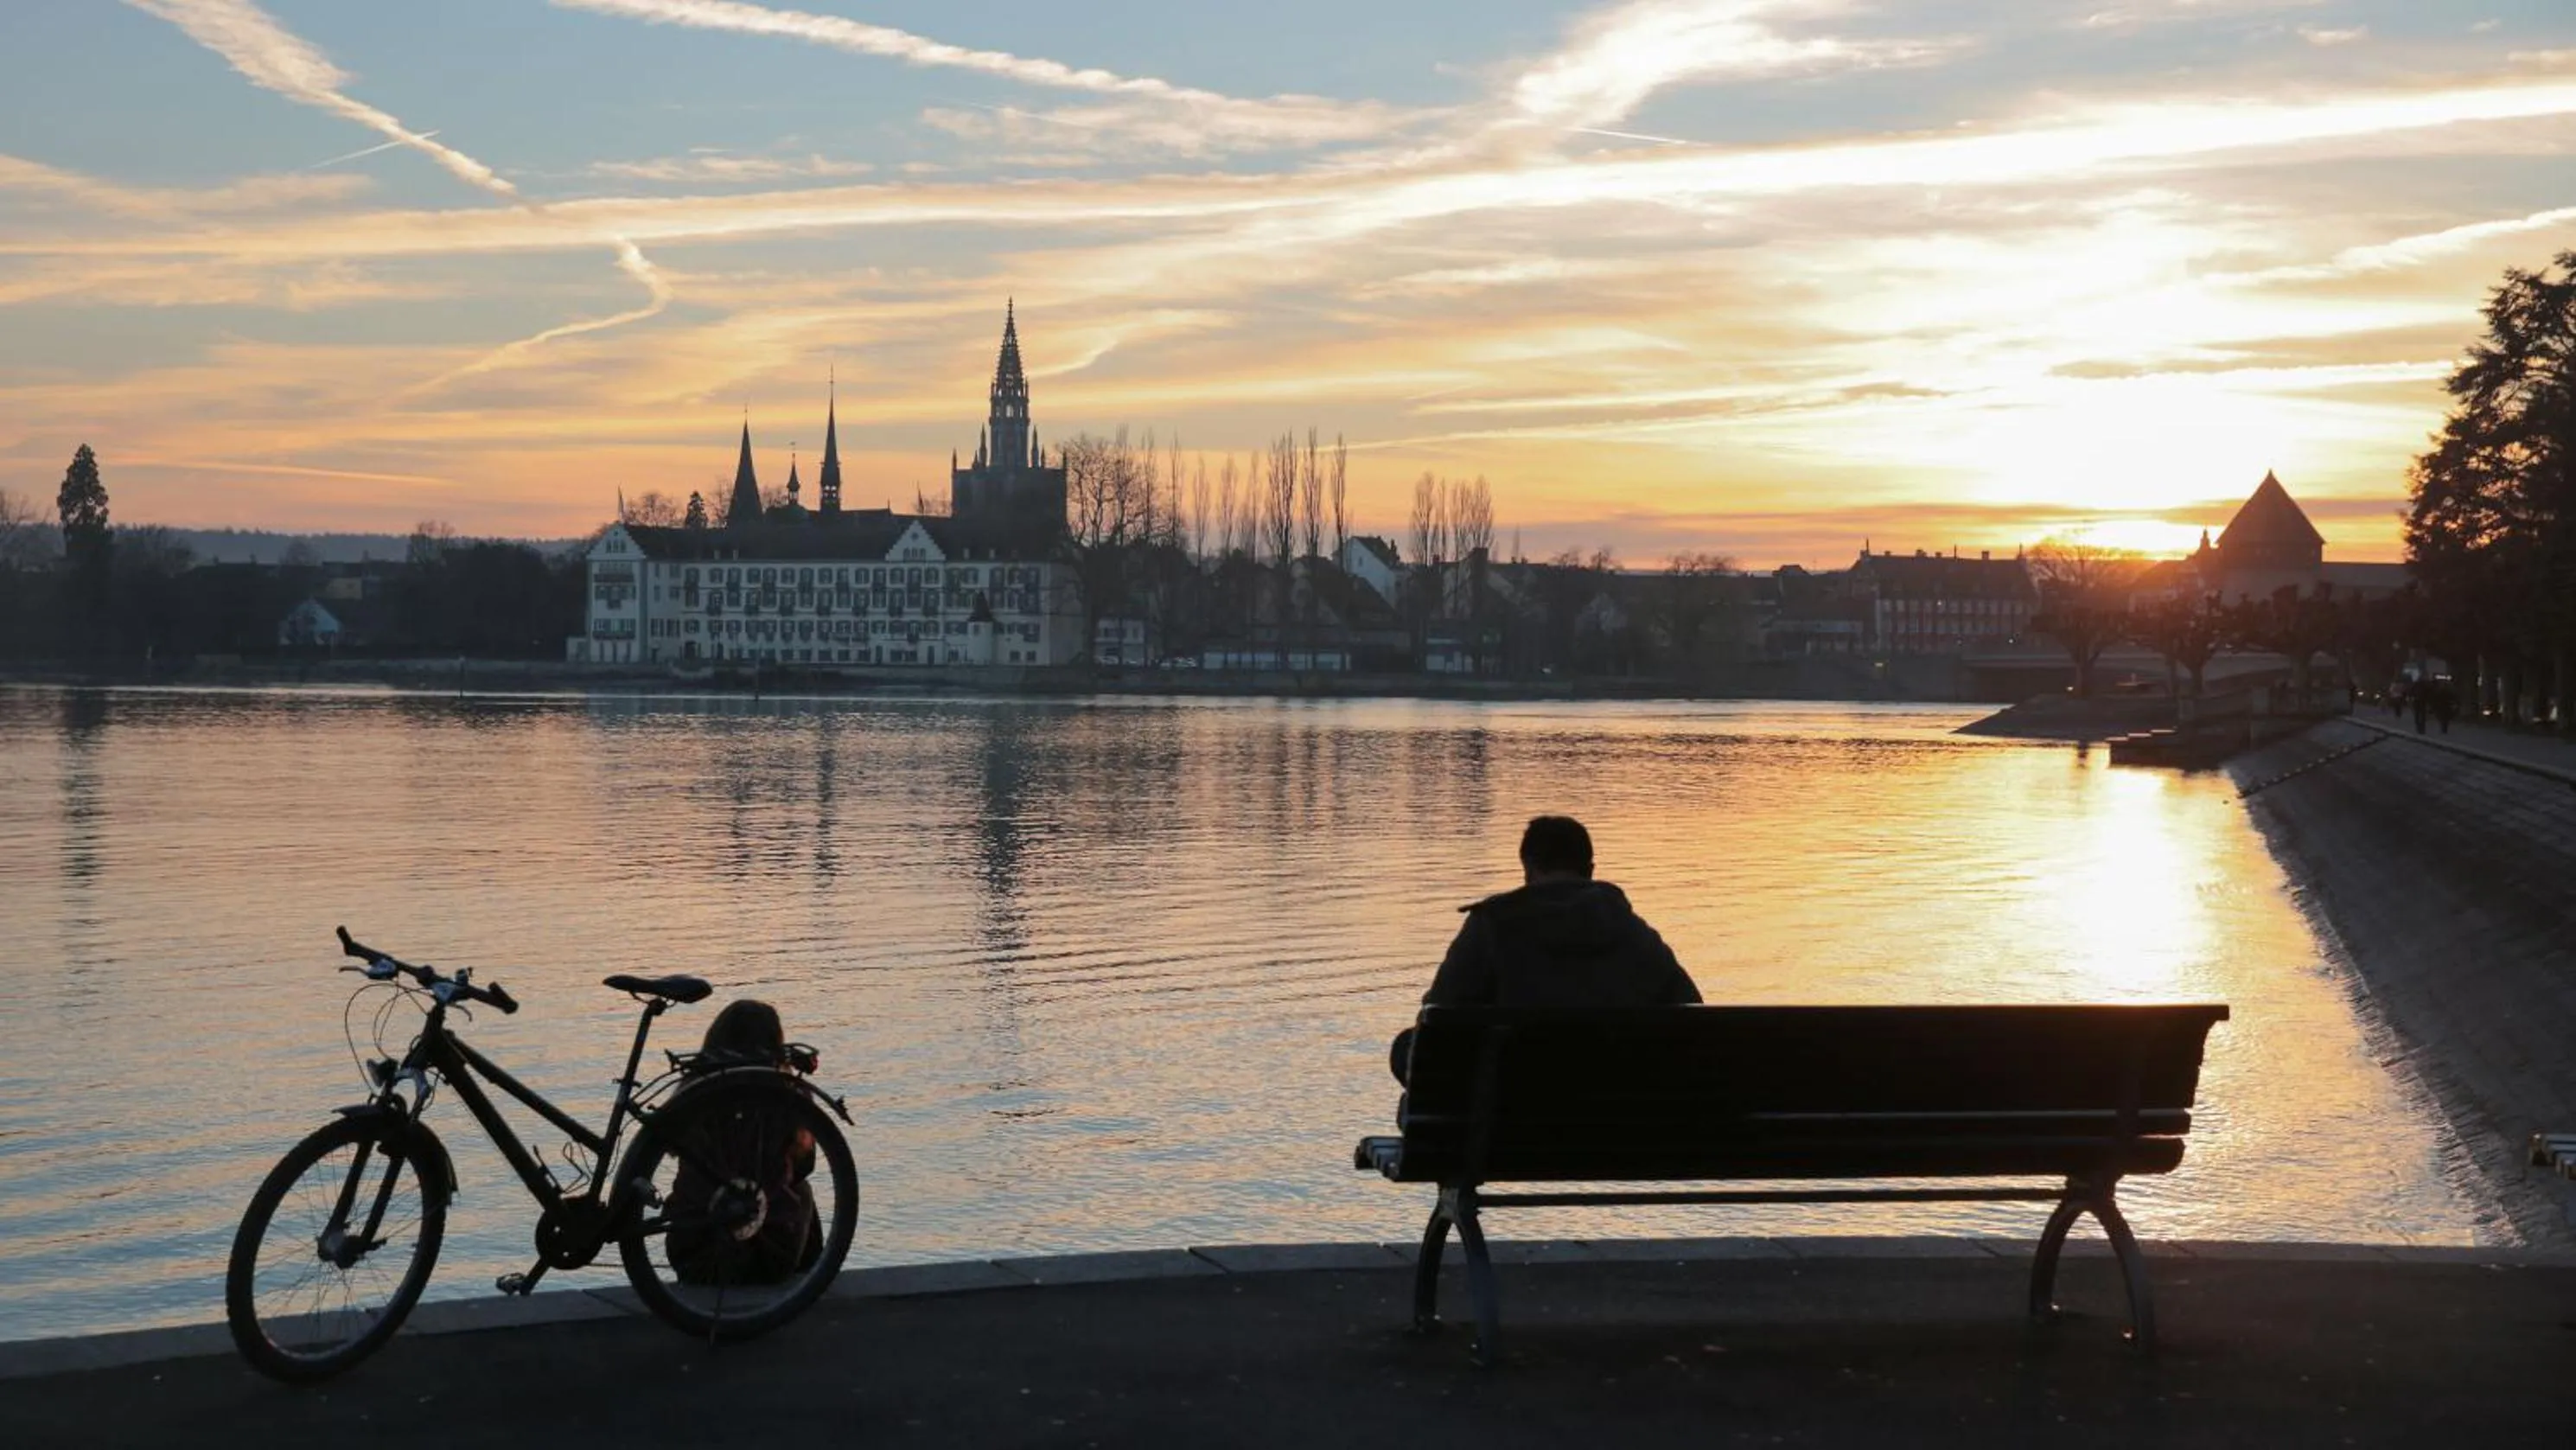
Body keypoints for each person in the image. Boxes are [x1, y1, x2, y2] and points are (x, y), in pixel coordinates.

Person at [1395, 816, 1699, 1082]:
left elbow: (1437, 1015)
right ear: (1590, 870)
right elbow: (1692, 1014)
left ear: (1528, 869)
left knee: (1408, 1048)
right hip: (1615, 1119)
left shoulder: (1491, 925)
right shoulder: (1634, 933)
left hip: (1508, 1119)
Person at [663, 999, 822, 1287]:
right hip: (771, 1259)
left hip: (693, 1257)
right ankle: (807, 1282)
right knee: (802, 1189)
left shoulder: (693, 1089)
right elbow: (805, 1166)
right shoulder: (786, 1092)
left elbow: (670, 1147)